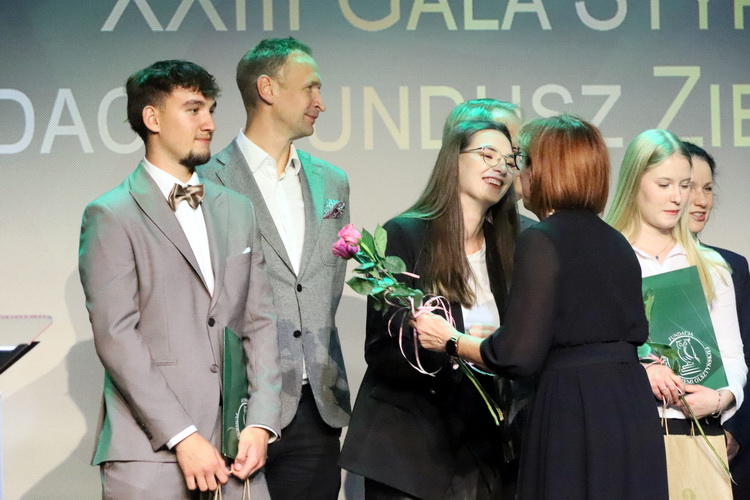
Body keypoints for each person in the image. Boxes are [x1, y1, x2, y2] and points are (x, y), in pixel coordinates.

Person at [415, 115, 669, 500]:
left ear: (543, 170)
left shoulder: (541, 240)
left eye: (521, 160)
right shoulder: (615, 241)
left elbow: (517, 355)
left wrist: (451, 340)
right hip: (629, 410)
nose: (515, 172)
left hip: (575, 410)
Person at [78, 60, 282, 499]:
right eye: (193, 110)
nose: (209, 123)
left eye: (210, 109)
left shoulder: (237, 209)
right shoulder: (111, 214)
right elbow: (117, 337)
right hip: (151, 455)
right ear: (152, 119)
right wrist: (183, 436)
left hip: (236, 453)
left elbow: (260, 321)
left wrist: (261, 421)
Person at [197, 37, 350, 500]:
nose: (320, 102)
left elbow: (327, 284)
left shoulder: (332, 182)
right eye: (310, 88)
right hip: (233, 409)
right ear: (267, 89)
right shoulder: (206, 181)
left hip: (315, 406)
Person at [340, 119, 521, 499]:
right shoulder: (406, 234)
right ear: (453, 160)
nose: (500, 167)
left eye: (509, 160)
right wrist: (445, 346)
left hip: (483, 452)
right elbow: (381, 349)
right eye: (487, 154)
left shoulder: (513, 247)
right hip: (409, 451)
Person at [684, 141, 750, 499]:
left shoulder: (730, 267)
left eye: (707, 188)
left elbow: (745, 356)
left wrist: (735, 428)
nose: (701, 200)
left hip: (721, 439)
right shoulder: (627, 261)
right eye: (689, 186)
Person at [442, 99, 535, 231]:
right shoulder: (416, 234)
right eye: (490, 155)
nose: (518, 164)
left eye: (521, 152)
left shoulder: (532, 235)